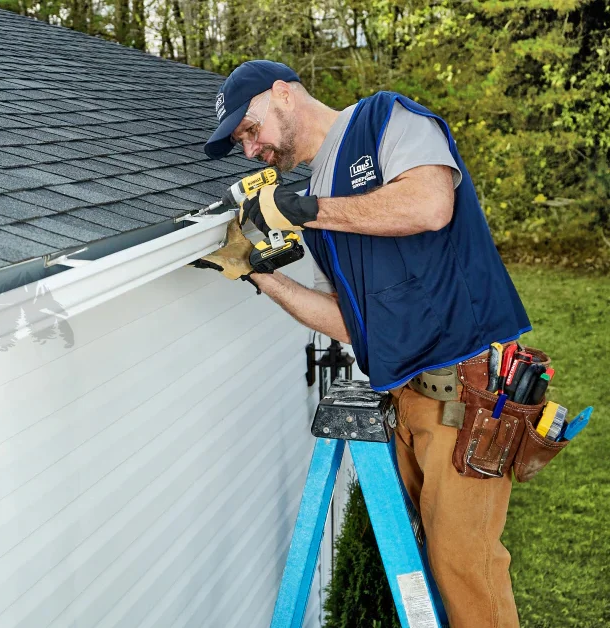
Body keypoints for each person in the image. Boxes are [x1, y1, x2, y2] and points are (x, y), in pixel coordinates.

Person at [198, 60, 531, 627]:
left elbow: (430, 205)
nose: (250, 150)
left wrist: (307, 212)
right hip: (408, 399)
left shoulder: (386, 119)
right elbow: (355, 324)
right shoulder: (317, 201)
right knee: (430, 564)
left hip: (469, 390)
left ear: (283, 93)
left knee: (464, 568)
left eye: (250, 130)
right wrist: (259, 274)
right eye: (240, 144)